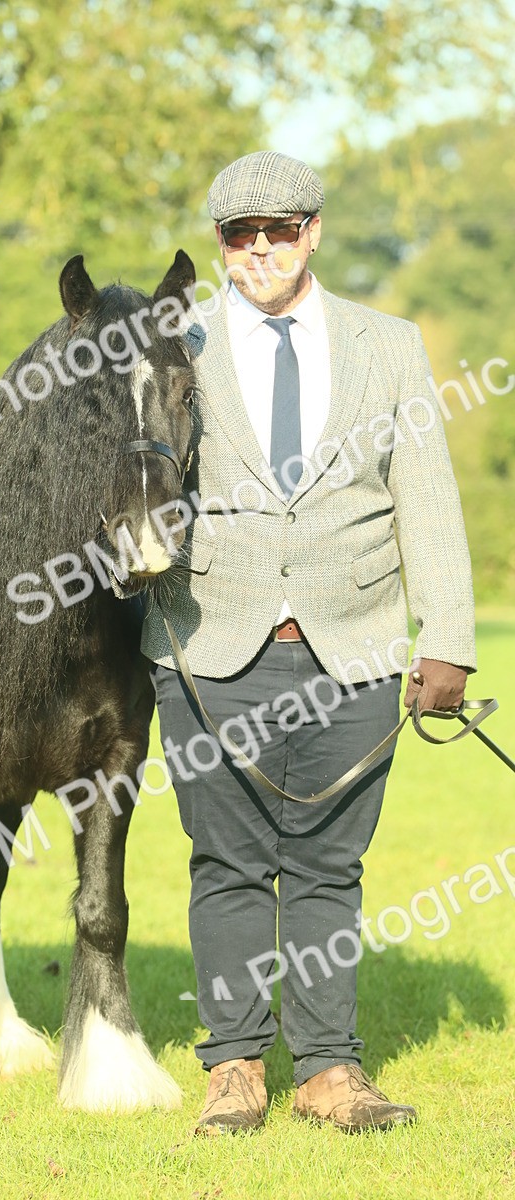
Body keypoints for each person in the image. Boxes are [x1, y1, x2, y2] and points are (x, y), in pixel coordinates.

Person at [140, 150, 476, 1134]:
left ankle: (329, 1070)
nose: (258, 249)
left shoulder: (389, 344)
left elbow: (424, 494)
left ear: (311, 232)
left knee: (331, 867)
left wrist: (445, 639)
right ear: (218, 245)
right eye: (238, 235)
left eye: (276, 230)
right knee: (227, 862)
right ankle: (234, 1070)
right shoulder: (178, 340)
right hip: (207, 649)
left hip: (355, 650)